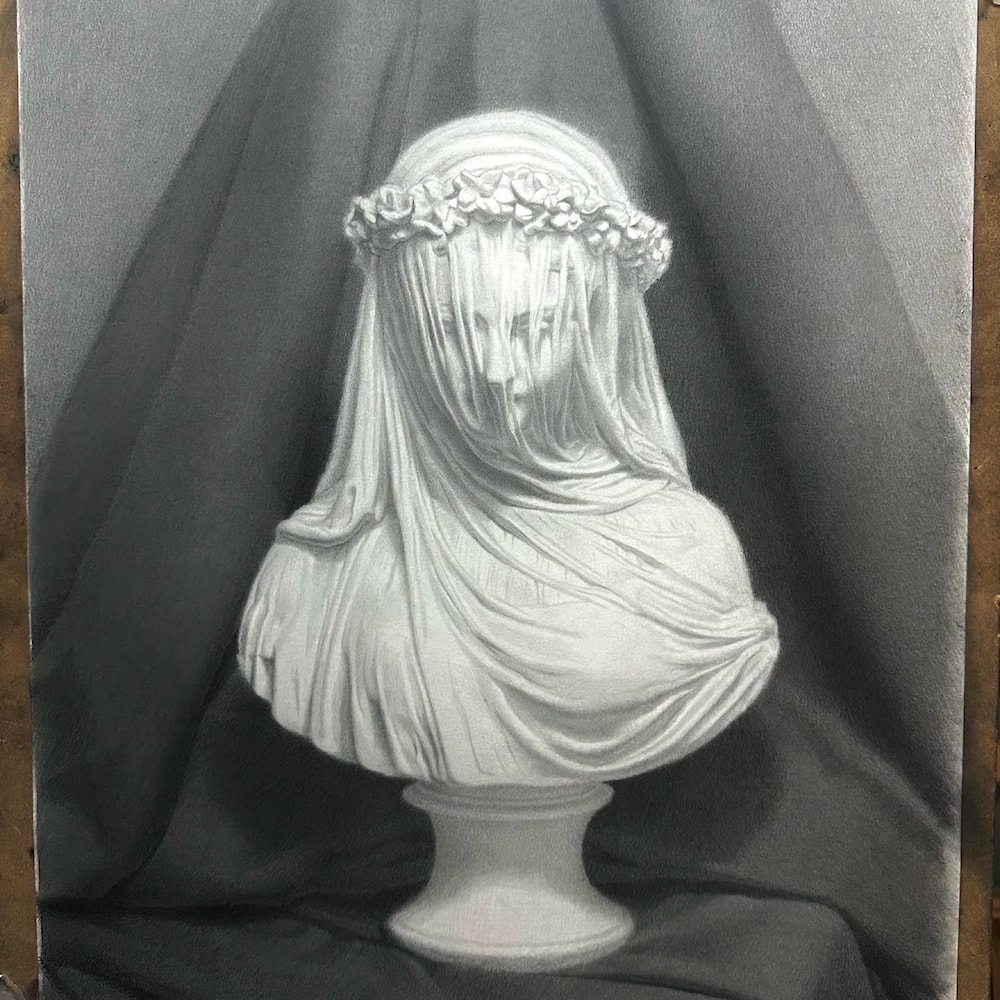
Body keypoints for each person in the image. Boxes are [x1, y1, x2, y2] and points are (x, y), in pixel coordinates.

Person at [238, 110, 779, 787]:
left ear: (594, 331)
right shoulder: (309, 579)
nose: (494, 370)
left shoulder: (692, 553)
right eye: (451, 328)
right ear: (400, 332)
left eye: (533, 327)